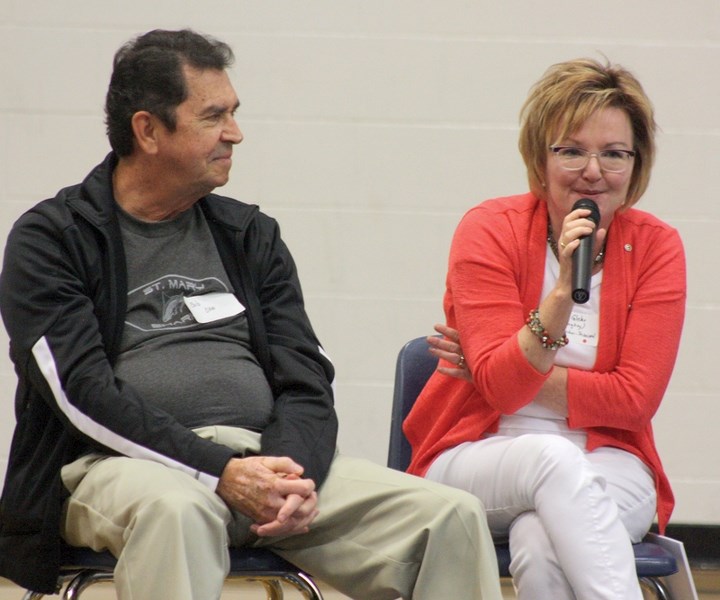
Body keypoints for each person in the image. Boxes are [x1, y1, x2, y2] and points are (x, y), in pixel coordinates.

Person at [0, 29, 503, 600]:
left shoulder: (249, 234)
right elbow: (81, 394)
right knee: (177, 511)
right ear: (148, 130)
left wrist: (292, 474)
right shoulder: (53, 239)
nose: (235, 134)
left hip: (261, 462)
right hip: (116, 466)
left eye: (233, 113)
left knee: (451, 518)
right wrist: (218, 470)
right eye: (213, 117)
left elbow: (307, 379)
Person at [404, 58, 686, 600]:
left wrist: (516, 362)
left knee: (539, 540)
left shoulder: (657, 246)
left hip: (611, 457)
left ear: (637, 163)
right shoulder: (489, 229)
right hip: (480, 451)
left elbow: (632, 402)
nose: (593, 170)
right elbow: (502, 392)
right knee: (551, 458)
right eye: (571, 150)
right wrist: (559, 298)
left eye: (614, 153)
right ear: (540, 157)